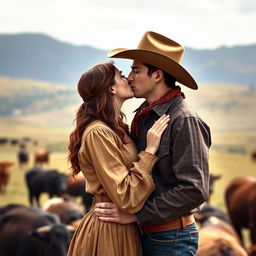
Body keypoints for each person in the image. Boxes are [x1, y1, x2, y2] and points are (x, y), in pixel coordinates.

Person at [94, 31, 212, 255]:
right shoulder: (145, 117)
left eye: (136, 70)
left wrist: (136, 215)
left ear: (157, 76)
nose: (129, 77)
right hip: (148, 234)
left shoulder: (184, 121)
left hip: (170, 238)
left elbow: (194, 190)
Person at [67, 62, 170, 256]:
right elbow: (125, 197)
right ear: (111, 88)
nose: (128, 78)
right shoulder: (99, 133)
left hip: (121, 226)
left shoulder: (115, 128)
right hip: (108, 231)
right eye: (121, 75)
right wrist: (149, 151)